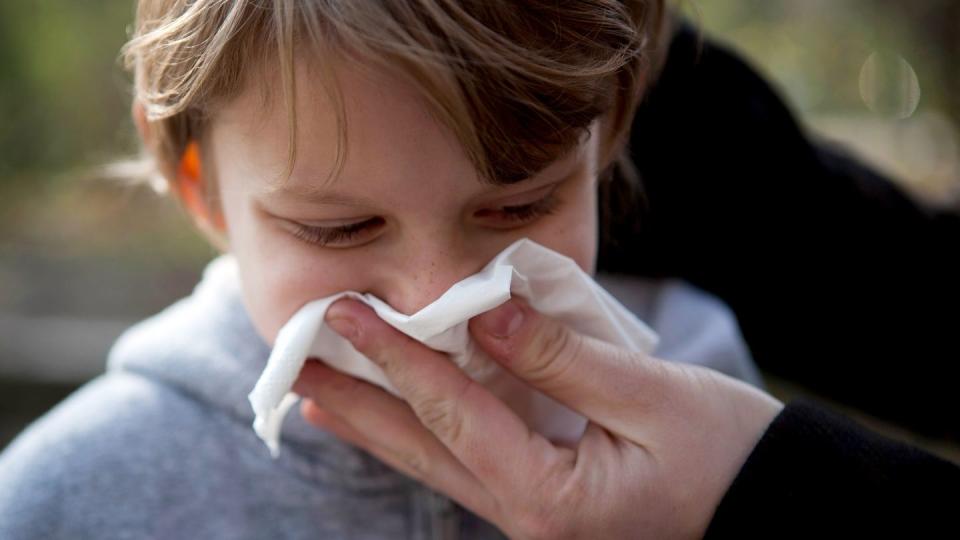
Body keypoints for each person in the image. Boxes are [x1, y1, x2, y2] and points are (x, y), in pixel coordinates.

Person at [0, 1, 760, 538]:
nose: (440, 301)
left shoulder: (707, 405)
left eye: (518, 208)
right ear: (201, 184)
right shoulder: (68, 496)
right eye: (341, 229)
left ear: (608, 140)